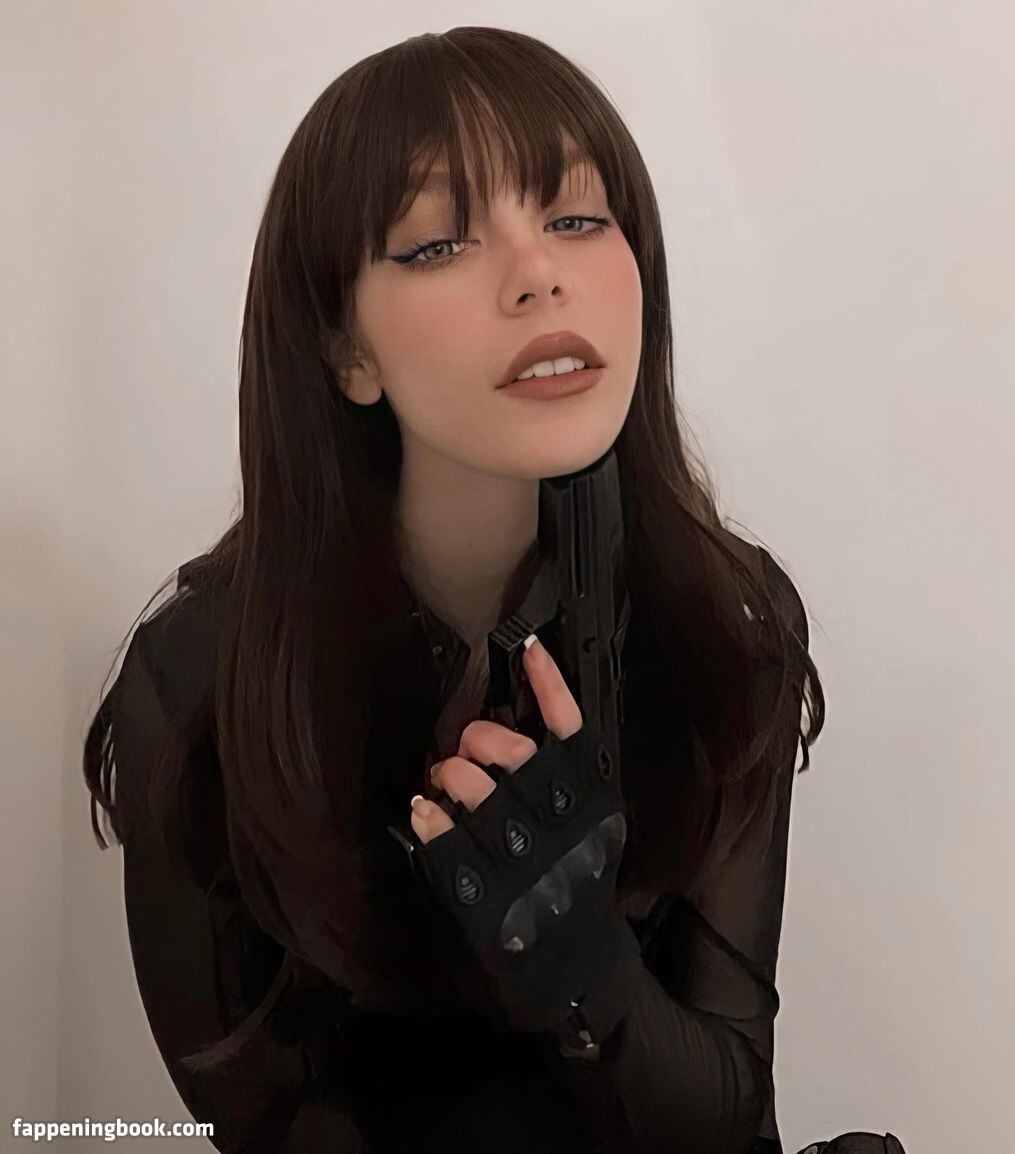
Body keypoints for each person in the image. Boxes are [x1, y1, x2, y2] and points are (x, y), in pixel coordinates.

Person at [83, 26, 823, 1154]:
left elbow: (728, 1115)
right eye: (437, 243)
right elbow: (251, 1118)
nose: (539, 274)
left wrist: (588, 972)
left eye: (578, 218)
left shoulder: (723, 622)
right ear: (346, 350)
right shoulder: (201, 684)